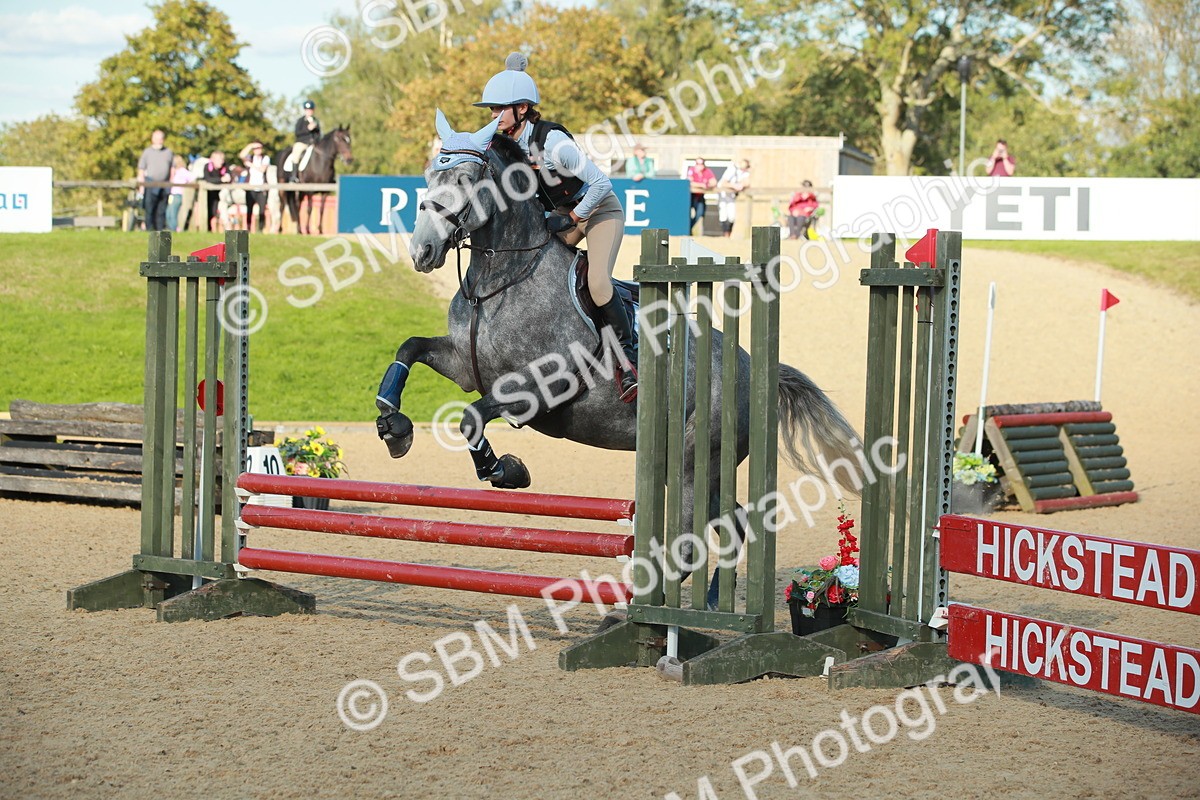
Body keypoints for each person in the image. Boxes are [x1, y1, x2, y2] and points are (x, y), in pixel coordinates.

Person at [473, 52, 637, 402]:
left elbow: (601, 184)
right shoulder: (504, 144)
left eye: (498, 109)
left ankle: (628, 355)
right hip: (562, 216)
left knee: (597, 279)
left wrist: (576, 218)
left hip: (598, 211)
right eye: (490, 110)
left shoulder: (554, 143)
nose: (492, 116)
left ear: (521, 108)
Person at [137, 130, 174, 232]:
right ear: (152, 139)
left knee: (161, 209)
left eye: (161, 139)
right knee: (149, 208)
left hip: (164, 184)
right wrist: (141, 186)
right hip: (150, 183)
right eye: (156, 139)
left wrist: (171, 184)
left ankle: (160, 230)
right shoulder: (147, 152)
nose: (159, 141)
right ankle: (149, 230)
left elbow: (172, 169)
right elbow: (141, 169)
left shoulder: (168, 152)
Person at [239, 141, 271, 233]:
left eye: (259, 147)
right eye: (255, 148)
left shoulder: (265, 158)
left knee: (262, 210)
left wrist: (251, 165)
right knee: (249, 209)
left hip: (261, 188)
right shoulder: (250, 157)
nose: (258, 150)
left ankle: (260, 229)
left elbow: (262, 169)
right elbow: (241, 155)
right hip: (250, 188)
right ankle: (248, 229)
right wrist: (250, 145)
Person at [717, 159, 751, 237]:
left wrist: (741, 185)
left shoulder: (744, 172)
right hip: (723, 194)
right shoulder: (732, 170)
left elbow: (747, 182)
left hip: (731, 195)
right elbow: (723, 183)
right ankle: (725, 234)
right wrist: (734, 186)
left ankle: (729, 233)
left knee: (732, 215)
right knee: (723, 214)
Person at [288, 100, 321, 175]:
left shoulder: (316, 121)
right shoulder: (301, 120)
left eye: (310, 110)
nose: (309, 111)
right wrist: (308, 129)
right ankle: (294, 175)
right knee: (296, 153)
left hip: (313, 144)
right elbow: (297, 133)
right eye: (307, 110)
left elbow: (318, 134)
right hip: (302, 143)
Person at [202, 151, 232, 232]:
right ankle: (209, 229)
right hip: (210, 194)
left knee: (222, 208)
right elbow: (207, 179)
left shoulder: (225, 166)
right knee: (210, 211)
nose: (221, 162)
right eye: (219, 159)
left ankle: (223, 228)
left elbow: (229, 177)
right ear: (213, 160)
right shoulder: (207, 167)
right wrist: (221, 179)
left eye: (222, 159)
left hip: (222, 194)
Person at [686, 157, 717, 235]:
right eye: (697, 163)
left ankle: (689, 228)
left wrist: (705, 185)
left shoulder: (707, 171)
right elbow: (689, 182)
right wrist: (702, 185)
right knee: (687, 214)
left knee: (700, 214)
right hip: (690, 196)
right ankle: (687, 229)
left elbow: (714, 182)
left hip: (700, 196)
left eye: (701, 163)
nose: (699, 165)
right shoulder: (692, 170)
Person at [165, 155, 190, 232]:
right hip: (172, 195)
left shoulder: (182, 171)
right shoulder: (175, 172)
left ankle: (174, 229)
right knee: (168, 213)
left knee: (173, 213)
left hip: (178, 194)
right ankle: (172, 228)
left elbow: (192, 177)